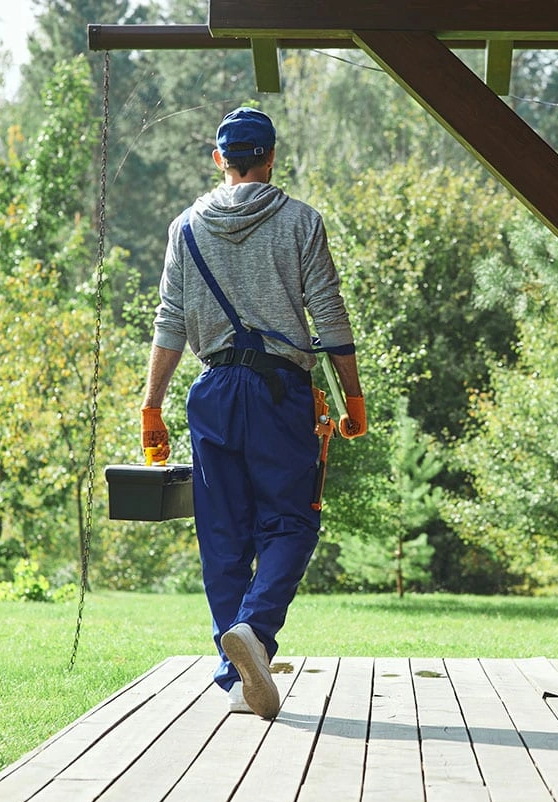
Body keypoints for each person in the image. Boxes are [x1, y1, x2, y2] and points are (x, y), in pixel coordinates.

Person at [140, 106, 366, 720]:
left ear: (220, 159)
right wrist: (353, 398)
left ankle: (236, 679)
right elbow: (330, 317)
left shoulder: (184, 228)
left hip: (211, 392)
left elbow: (170, 323)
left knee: (222, 536)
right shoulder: (301, 222)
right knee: (292, 523)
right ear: (269, 158)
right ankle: (257, 635)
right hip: (279, 393)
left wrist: (151, 405)